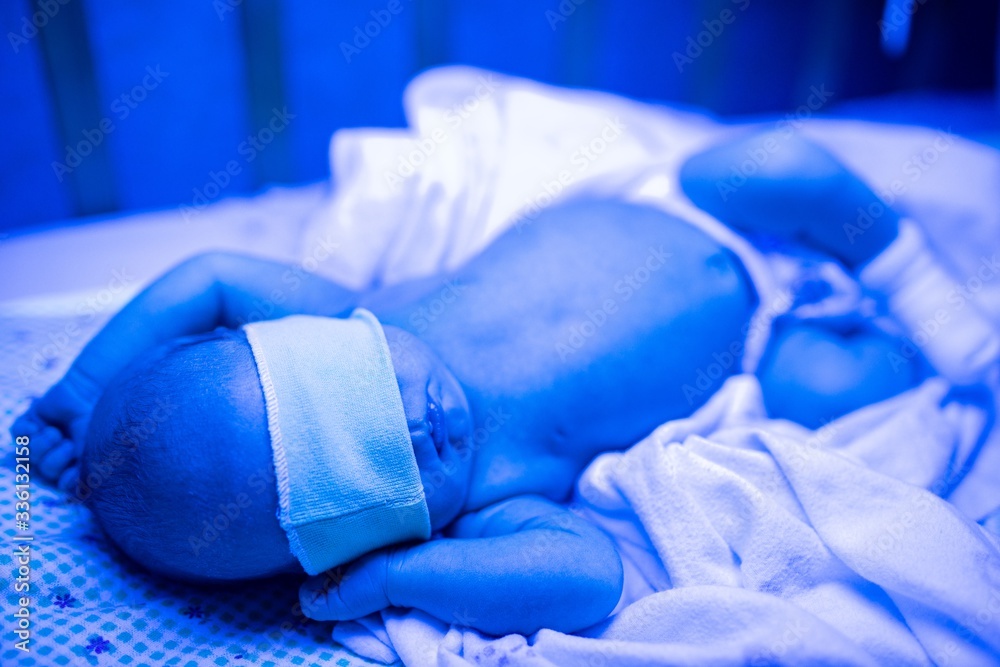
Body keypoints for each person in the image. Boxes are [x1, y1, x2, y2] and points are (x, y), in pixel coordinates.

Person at [12, 133, 925, 636]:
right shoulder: (484, 499)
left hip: (694, 209)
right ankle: (908, 332)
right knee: (852, 384)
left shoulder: (360, 301)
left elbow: (207, 272)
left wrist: (82, 386)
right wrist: (409, 575)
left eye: (359, 384)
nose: (415, 425)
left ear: (311, 336)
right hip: (760, 351)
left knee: (778, 164)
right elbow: (587, 575)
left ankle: (929, 288)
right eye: (369, 473)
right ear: (345, 547)